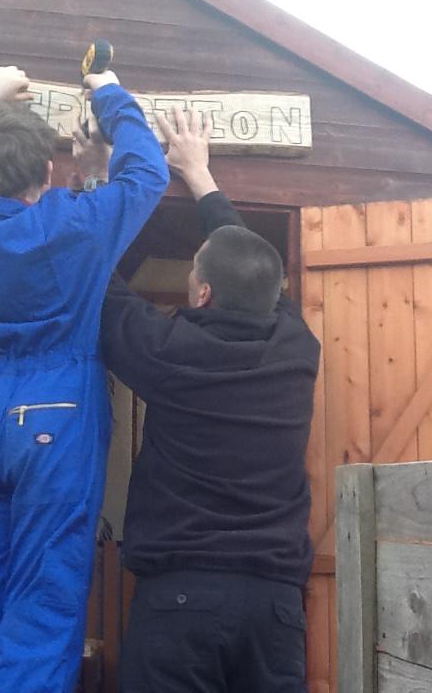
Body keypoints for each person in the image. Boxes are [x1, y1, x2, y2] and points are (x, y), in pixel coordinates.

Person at [0, 64, 169, 693]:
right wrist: (109, 92)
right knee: (43, 601)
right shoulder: (75, 224)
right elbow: (148, 172)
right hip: (57, 411)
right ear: (47, 172)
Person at [89, 108, 320, 692]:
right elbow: (253, 267)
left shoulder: (171, 351)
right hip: (275, 608)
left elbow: (96, 282)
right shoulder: (296, 348)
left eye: (194, 272)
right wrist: (200, 174)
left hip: (183, 599)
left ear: (203, 293)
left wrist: (96, 179)